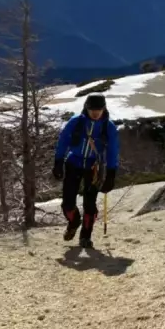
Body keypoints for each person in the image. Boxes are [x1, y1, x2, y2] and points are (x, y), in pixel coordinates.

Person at [53, 93, 119, 248]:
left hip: (93, 168)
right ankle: (74, 222)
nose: (95, 112)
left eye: (99, 109)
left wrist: (111, 173)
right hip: (73, 164)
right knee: (67, 203)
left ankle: (85, 236)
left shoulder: (108, 127)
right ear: (86, 108)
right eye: (92, 109)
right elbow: (63, 141)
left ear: (104, 109)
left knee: (90, 204)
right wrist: (58, 161)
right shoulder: (76, 122)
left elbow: (113, 151)